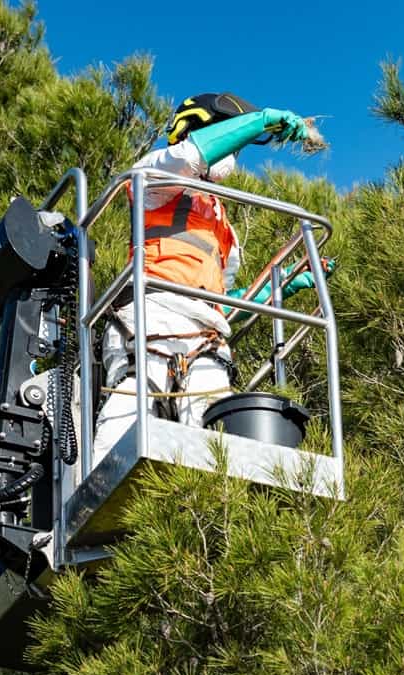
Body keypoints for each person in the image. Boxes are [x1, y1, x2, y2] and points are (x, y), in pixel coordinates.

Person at [91, 93, 322, 465]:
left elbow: (229, 303)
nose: (231, 155)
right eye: (225, 137)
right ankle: (92, 496)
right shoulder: (154, 175)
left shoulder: (219, 224)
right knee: (131, 407)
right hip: (151, 315)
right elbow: (190, 157)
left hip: (208, 333)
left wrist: (281, 288)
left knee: (212, 430)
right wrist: (260, 122)